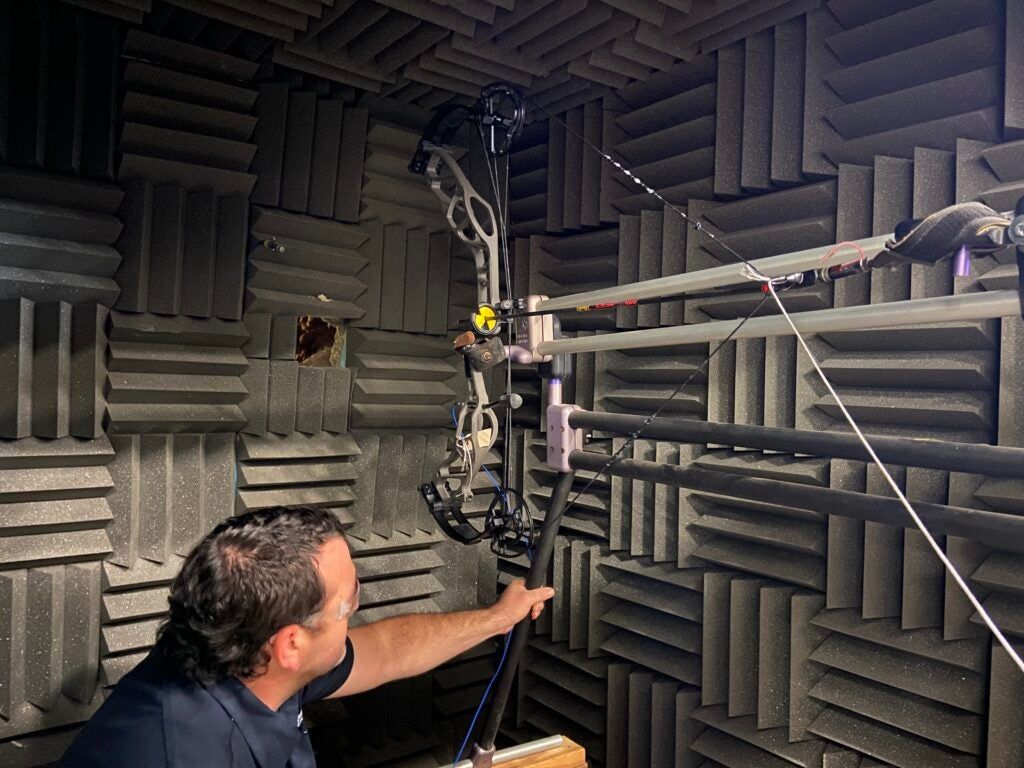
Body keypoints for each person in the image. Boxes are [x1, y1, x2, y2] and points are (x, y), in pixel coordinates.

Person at [57, 506, 554, 767]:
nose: (356, 608)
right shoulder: (179, 753)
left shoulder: (240, 648)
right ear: (291, 644)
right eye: (348, 603)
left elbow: (384, 651)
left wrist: (496, 618)